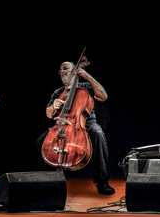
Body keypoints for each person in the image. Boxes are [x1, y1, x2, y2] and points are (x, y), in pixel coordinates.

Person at [39, 61, 114, 195]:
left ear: (75, 71)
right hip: (62, 124)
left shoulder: (86, 87)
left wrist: (87, 76)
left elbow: (103, 96)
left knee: (98, 133)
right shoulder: (58, 92)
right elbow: (48, 113)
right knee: (41, 141)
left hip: (85, 123)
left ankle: (102, 182)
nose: (62, 71)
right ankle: (49, 180)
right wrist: (52, 107)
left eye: (65, 68)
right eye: (60, 70)